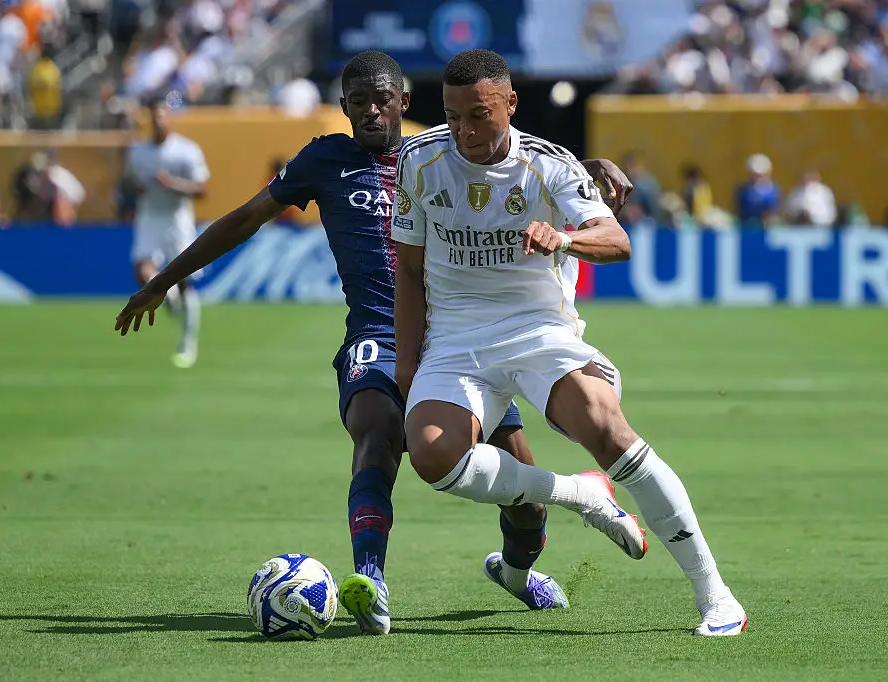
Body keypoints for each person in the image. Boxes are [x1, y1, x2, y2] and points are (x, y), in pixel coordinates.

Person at [114, 51, 643, 636]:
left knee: (524, 501)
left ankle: (517, 573)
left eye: (381, 100)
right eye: (357, 102)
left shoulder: (439, 152)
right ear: (342, 108)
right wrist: (163, 280)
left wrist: (587, 163)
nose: (370, 111)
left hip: (464, 337)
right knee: (377, 428)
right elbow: (243, 218)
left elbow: (520, 155)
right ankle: (371, 581)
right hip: (377, 331)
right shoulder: (324, 160)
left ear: (402, 103)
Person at [392, 49, 746, 637]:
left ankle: (715, 594)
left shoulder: (549, 166)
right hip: (455, 337)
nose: (464, 131)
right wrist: (409, 365)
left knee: (606, 427)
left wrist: (563, 237)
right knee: (431, 456)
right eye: (453, 116)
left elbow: (615, 238)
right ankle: (577, 492)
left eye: (479, 115)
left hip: (537, 329)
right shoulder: (421, 159)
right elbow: (408, 269)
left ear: (510, 104)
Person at [122, 96, 210, 368]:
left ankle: (188, 341)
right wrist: (134, 189)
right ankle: (167, 299)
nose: (158, 121)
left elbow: (202, 188)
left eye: (162, 115)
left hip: (177, 218)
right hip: (150, 215)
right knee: (142, 271)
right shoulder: (137, 151)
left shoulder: (186, 150)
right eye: (154, 116)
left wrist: (172, 184)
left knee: (184, 281)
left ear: (170, 118)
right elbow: (128, 182)